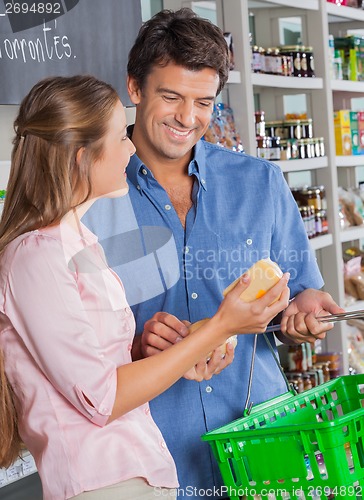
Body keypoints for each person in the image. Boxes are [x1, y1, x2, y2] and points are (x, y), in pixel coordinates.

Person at [82, 8, 344, 499]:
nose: (188, 118)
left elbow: (301, 293)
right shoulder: (87, 198)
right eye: (171, 96)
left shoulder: (259, 183)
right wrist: (135, 347)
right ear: (134, 88)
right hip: (149, 459)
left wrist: (304, 306)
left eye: (203, 102)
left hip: (263, 442)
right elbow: (68, 349)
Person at [0, 75, 291, 500]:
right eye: (120, 136)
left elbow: (93, 368)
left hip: (139, 476)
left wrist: (167, 350)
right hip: (100, 485)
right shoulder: (35, 257)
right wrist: (221, 327)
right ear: (83, 158)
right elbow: (100, 399)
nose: (132, 148)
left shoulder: (81, 244)